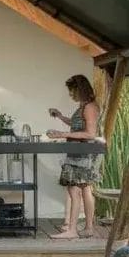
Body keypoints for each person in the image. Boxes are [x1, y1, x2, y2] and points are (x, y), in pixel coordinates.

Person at [46, 74, 101, 239]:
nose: (71, 95)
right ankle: (88, 228)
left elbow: (90, 133)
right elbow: (77, 124)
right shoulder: (84, 106)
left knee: (74, 189)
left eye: (72, 91)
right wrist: (60, 116)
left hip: (82, 154)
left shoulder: (90, 107)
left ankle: (72, 230)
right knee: (84, 188)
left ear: (80, 89)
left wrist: (61, 134)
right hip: (79, 152)